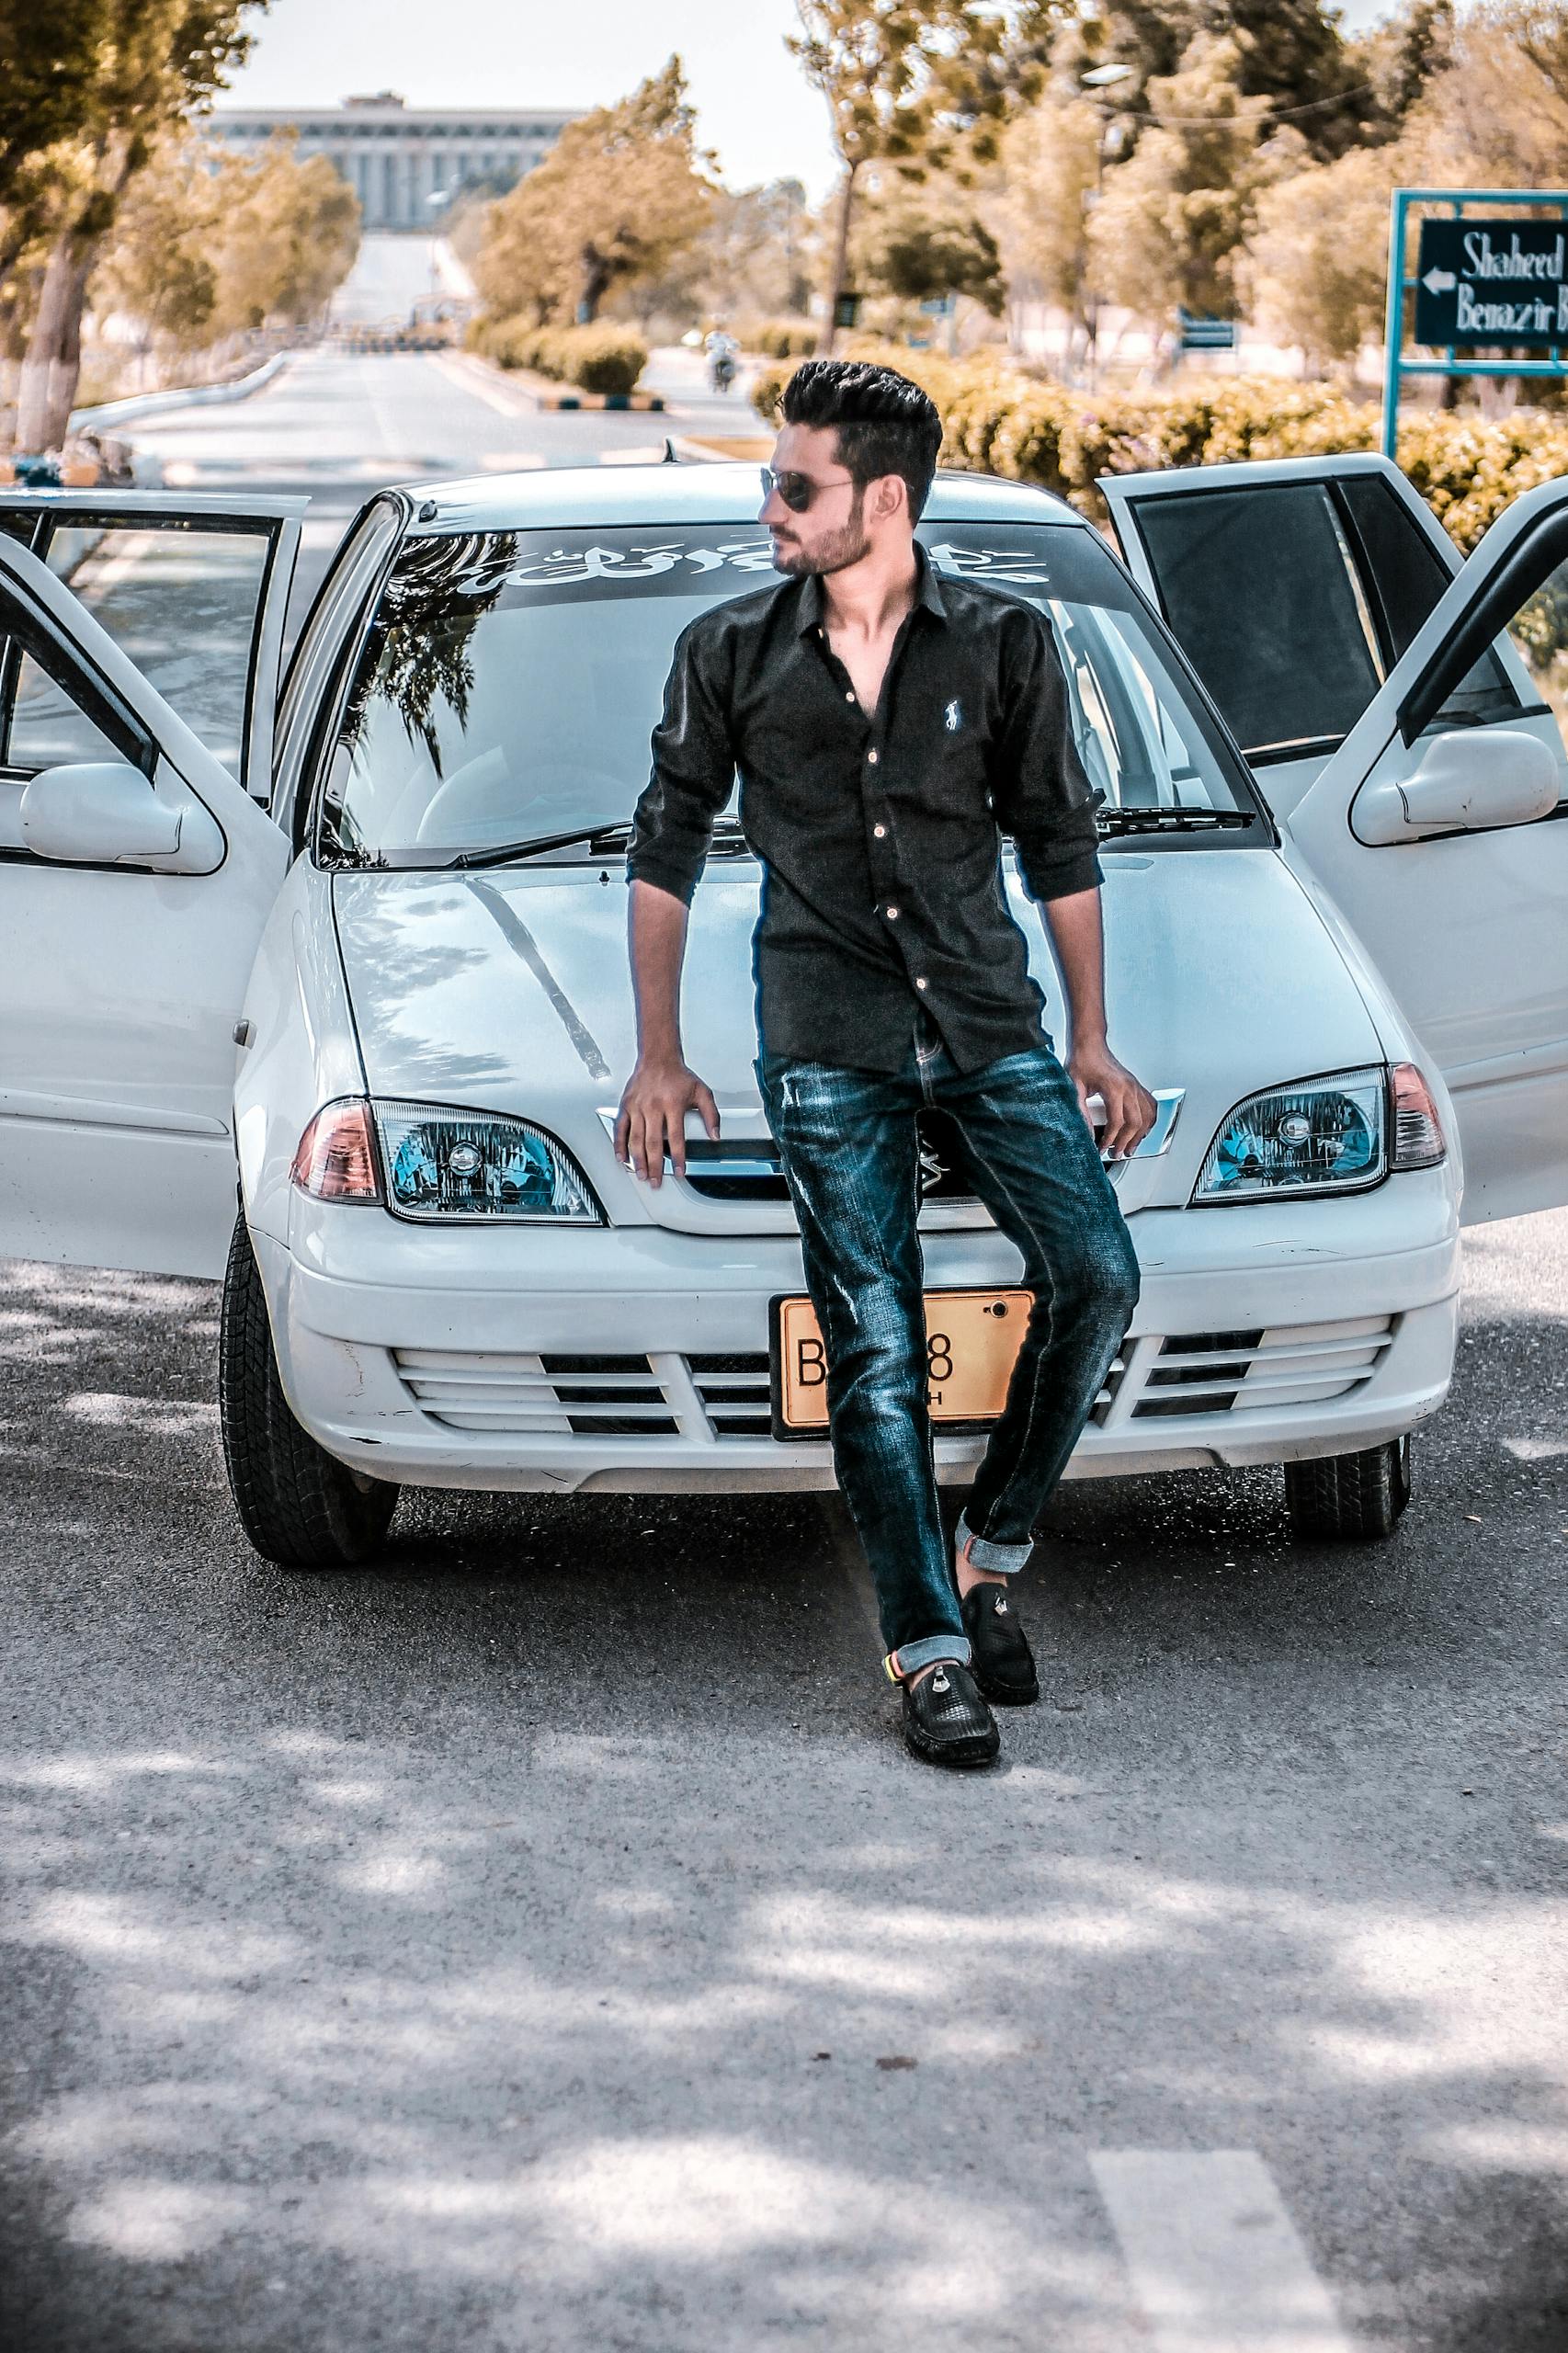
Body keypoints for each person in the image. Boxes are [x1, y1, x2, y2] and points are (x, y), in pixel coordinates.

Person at [615, 358, 1153, 1768]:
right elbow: (666, 848)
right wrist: (659, 1055)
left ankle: (990, 1554)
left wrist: (1090, 1037)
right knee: (873, 1337)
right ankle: (925, 1649)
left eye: (796, 489)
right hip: (827, 1040)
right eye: (769, 482)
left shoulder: (1005, 642)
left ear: (886, 500)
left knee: (1097, 1273)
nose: (769, 510)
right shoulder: (730, 650)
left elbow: (1059, 845)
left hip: (985, 1024)